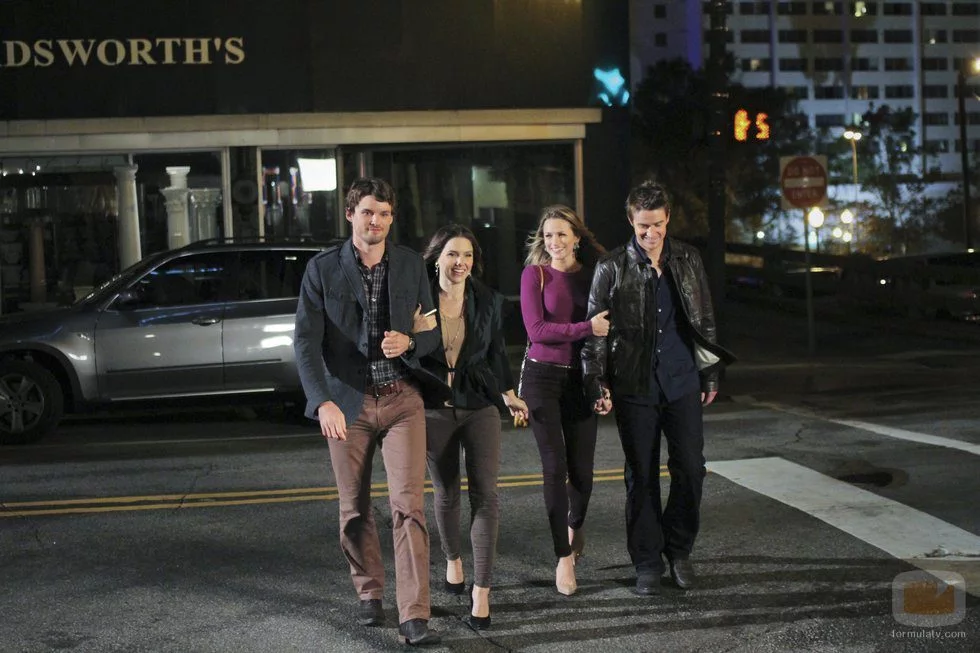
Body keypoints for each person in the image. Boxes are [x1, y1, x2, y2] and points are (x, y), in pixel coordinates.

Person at [293, 177, 447, 647]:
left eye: (383, 213)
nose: (375, 220)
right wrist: (322, 402)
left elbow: (433, 332)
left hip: (402, 399)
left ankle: (414, 613)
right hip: (347, 404)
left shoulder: (411, 265)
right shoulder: (322, 269)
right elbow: (305, 342)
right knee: (354, 508)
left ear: (392, 218)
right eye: (366, 212)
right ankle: (369, 591)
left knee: (409, 507)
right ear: (350, 215)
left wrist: (411, 342)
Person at [581, 181, 735, 596]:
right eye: (643, 226)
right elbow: (595, 333)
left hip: (682, 379)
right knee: (642, 474)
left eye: (658, 225)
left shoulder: (688, 258)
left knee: (691, 468)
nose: (651, 233)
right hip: (635, 383)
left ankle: (679, 550)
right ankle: (647, 562)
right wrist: (597, 382)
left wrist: (710, 374)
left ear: (668, 220)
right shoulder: (611, 266)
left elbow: (704, 319)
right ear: (631, 221)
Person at [418, 224, 528, 631]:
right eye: (452, 254)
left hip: (479, 403)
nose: (460, 262)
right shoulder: (418, 299)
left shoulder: (488, 300)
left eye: (467, 255)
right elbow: (408, 352)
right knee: (447, 492)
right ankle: (453, 560)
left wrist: (509, 393)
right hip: (434, 407)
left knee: (486, 495)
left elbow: (496, 353)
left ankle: (482, 589)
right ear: (437, 258)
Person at [519, 205, 608, 596]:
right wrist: (587, 327)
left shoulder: (595, 276)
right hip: (542, 379)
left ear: (576, 238)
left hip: (582, 380)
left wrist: (604, 384)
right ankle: (563, 556)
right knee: (554, 468)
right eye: (548, 235)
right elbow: (537, 331)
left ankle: (575, 525)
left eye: (561, 234)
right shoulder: (534, 275)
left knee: (583, 474)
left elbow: (608, 337)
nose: (553, 242)